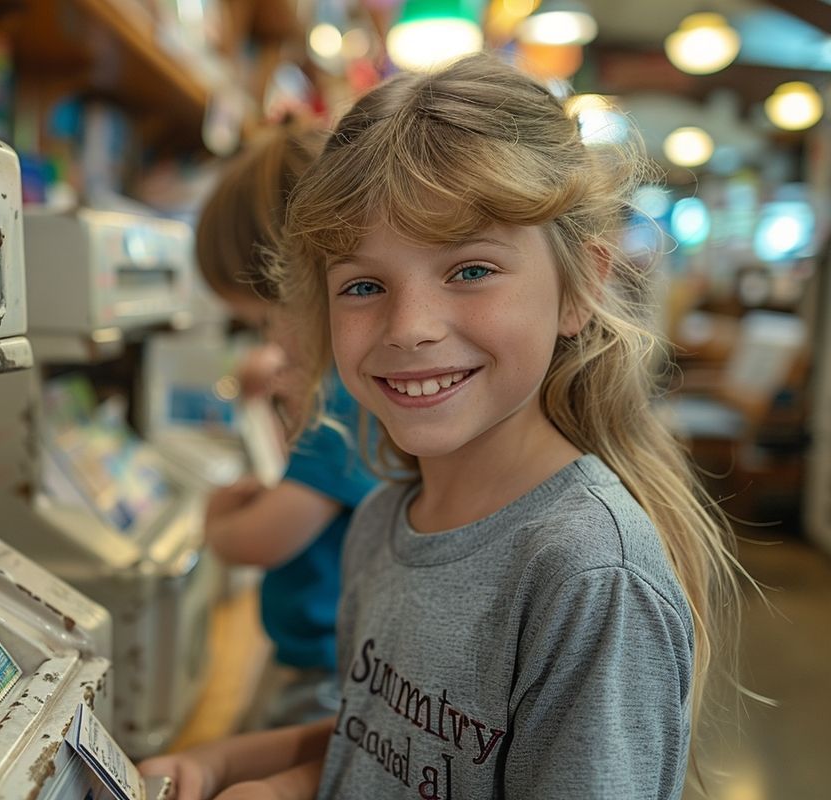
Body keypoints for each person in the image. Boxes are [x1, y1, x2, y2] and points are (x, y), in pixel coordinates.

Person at [139, 54, 748, 799]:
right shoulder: (382, 523)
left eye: (470, 271)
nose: (411, 328)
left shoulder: (589, 578)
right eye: (364, 285)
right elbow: (393, 744)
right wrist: (232, 770)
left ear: (579, 286)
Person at [194, 123, 381, 727]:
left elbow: (271, 536)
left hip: (331, 666)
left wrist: (220, 528)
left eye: (269, 317)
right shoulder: (338, 386)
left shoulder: (347, 397)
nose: (271, 339)